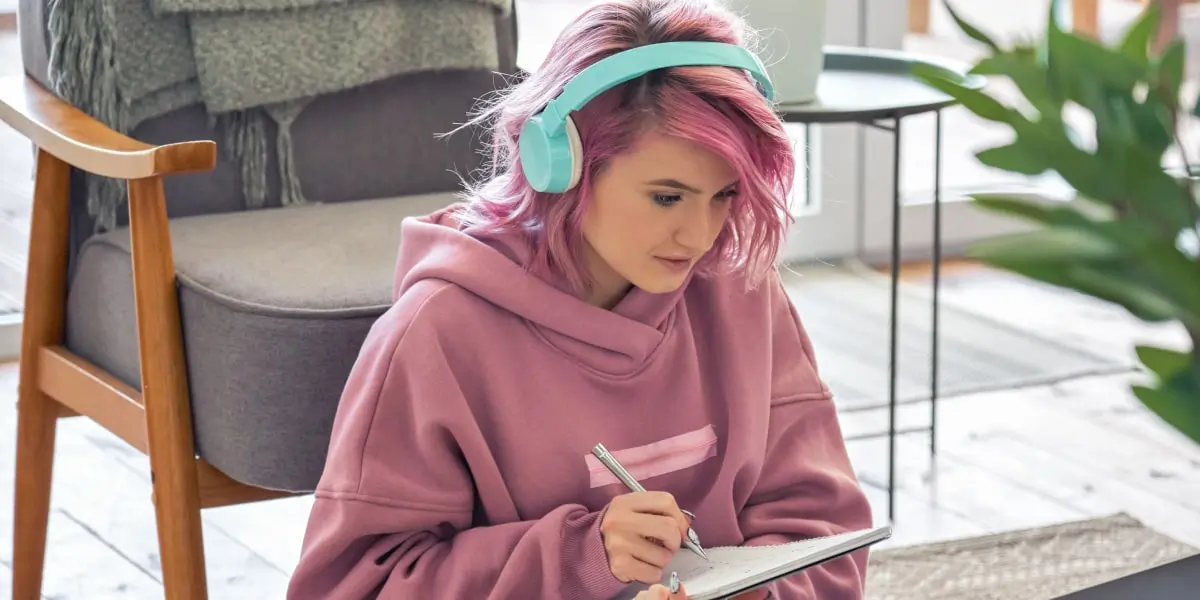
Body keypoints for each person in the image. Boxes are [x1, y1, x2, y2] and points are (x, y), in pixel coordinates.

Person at [285, 0, 874, 598]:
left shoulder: (740, 290)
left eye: (722, 196)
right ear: (561, 166)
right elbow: (352, 587)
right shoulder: (437, 333)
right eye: (667, 198)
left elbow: (823, 528)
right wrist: (575, 558)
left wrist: (761, 592)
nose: (699, 236)